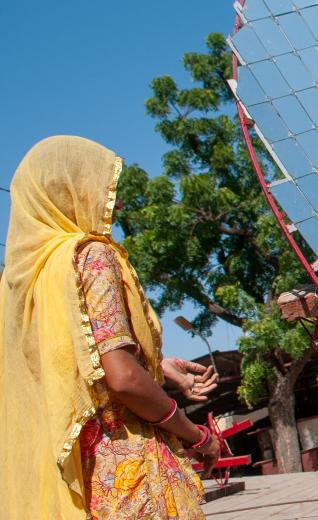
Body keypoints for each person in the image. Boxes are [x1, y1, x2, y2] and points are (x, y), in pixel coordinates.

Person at [0, 136, 221, 518]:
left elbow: (70, 366)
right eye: (103, 188)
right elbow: (120, 378)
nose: (114, 203)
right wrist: (196, 435)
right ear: (68, 190)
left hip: (77, 480)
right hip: (128, 480)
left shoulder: (22, 282)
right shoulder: (92, 256)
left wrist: (156, 366)